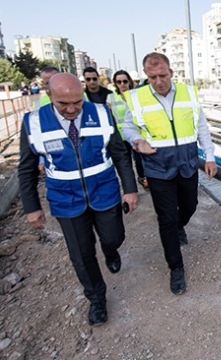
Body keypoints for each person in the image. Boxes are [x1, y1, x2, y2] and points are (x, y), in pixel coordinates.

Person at [18, 73, 139, 326]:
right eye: (64, 104)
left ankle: (110, 251)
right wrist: (32, 207)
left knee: (113, 237)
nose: (72, 109)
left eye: (77, 102)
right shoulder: (34, 122)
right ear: (49, 96)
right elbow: (26, 168)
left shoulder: (102, 113)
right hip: (65, 199)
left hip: (104, 191)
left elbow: (119, 153)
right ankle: (97, 299)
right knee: (81, 254)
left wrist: (130, 188)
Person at [121, 52, 217, 295]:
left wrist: (210, 157)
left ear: (171, 73)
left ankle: (179, 225)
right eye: (152, 77)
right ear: (146, 76)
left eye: (163, 75)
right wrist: (136, 141)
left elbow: (202, 127)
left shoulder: (188, 94)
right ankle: (176, 267)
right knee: (166, 218)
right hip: (158, 167)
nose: (158, 81)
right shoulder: (137, 98)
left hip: (186, 164)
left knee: (190, 206)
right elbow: (128, 128)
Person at [107, 70, 148, 189]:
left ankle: (142, 178)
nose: (122, 84)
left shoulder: (136, 95)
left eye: (125, 81)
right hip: (120, 135)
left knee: (140, 160)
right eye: (119, 82)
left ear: (129, 81)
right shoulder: (111, 97)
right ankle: (130, 187)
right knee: (126, 162)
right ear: (115, 83)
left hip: (136, 133)